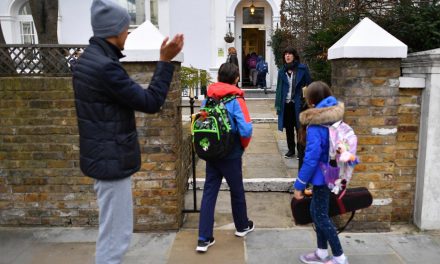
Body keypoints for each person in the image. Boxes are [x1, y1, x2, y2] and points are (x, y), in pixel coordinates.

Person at [71, 1, 184, 263]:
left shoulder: (88, 59)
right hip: (111, 162)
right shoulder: (105, 68)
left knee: (109, 231)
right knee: (115, 238)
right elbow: (150, 102)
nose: (128, 33)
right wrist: (165, 61)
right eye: (125, 28)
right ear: (114, 30)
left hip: (101, 157)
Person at [196, 63, 253, 253]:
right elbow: (246, 129)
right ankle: (242, 226)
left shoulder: (209, 97)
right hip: (231, 152)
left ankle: (204, 238)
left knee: (209, 192)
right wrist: (242, 146)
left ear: (219, 77)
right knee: (236, 190)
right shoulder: (236, 98)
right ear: (236, 78)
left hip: (212, 151)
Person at [293, 81, 348, 264]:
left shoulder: (317, 124)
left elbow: (311, 159)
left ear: (313, 100)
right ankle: (322, 252)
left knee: (321, 216)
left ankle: (339, 257)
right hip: (331, 173)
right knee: (316, 212)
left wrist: (299, 184)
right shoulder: (334, 117)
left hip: (321, 177)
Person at [275, 47, 311, 162]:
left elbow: (309, 85)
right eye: (285, 54)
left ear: (294, 56)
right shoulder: (282, 71)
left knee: (300, 128)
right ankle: (291, 150)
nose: (287, 56)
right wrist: (278, 105)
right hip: (286, 104)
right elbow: (279, 89)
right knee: (289, 128)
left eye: (290, 54)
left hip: (299, 104)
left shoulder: (302, 69)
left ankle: (301, 150)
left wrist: (307, 101)